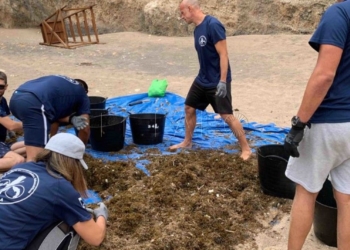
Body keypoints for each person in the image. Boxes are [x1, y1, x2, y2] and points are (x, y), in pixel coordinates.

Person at [283, 1, 350, 249]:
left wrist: (299, 123)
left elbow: (324, 75)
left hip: (330, 121)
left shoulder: (339, 13)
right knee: (346, 200)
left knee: (306, 192)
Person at [170, 0, 251, 160]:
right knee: (189, 108)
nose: (181, 17)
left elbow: (224, 54)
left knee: (226, 115)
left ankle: (246, 148)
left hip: (217, 80)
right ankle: (187, 142)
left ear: (190, 8)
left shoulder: (213, 25)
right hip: (203, 78)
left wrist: (222, 81)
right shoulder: (197, 29)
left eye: (182, 12)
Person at [0, 133, 108, 248]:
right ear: (74, 164)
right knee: (68, 223)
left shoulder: (21, 167)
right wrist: (102, 215)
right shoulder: (60, 187)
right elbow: (95, 238)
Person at [9, 75, 90, 162]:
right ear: (86, 91)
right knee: (37, 158)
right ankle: (30, 172)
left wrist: (51, 141)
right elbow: (85, 128)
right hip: (35, 103)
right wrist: (80, 151)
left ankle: (8, 154)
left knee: (39, 143)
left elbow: (53, 119)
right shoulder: (82, 94)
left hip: (16, 99)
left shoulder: (62, 85)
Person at [0, 71, 25, 169]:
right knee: (19, 160)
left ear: (6, 87)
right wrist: (35, 123)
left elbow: (8, 121)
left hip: (2, 142)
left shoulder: (3, 101)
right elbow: (12, 126)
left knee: (34, 145)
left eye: (1, 86)